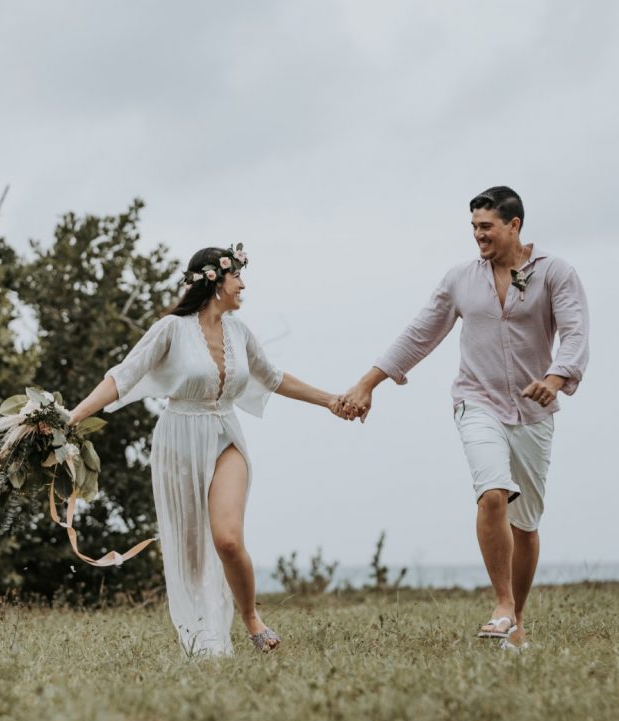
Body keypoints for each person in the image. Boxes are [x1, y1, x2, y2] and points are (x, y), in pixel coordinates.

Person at [336, 187, 589, 651]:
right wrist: (368, 383)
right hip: (477, 402)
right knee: (493, 494)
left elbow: (574, 332)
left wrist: (554, 379)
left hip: (534, 411)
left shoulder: (556, 273)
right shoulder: (460, 280)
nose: (478, 236)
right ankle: (500, 604)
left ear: (514, 225)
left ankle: (516, 619)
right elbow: (420, 333)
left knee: (526, 524)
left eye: (486, 227)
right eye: (473, 227)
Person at [68, 245, 339, 656]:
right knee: (190, 547)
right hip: (179, 438)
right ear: (215, 281)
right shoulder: (171, 330)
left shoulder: (240, 332)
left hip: (225, 434)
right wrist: (72, 417)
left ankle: (251, 618)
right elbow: (122, 377)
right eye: (238, 277)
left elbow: (274, 378)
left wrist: (331, 401)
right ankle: (201, 636)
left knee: (228, 540)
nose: (243, 284)